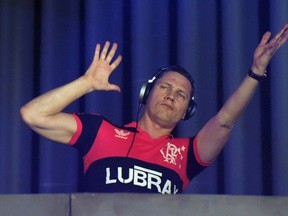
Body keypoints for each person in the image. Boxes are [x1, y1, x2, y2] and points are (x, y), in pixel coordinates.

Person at [20, 24, 288, 194]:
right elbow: (33, 115)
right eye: (165, 88)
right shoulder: (101, 132)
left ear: (187, 111)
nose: (172, 96)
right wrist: (86, 83)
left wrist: (255, 72)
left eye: (181, 95)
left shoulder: (185, 155)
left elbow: (225, 121)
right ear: (146, 94)